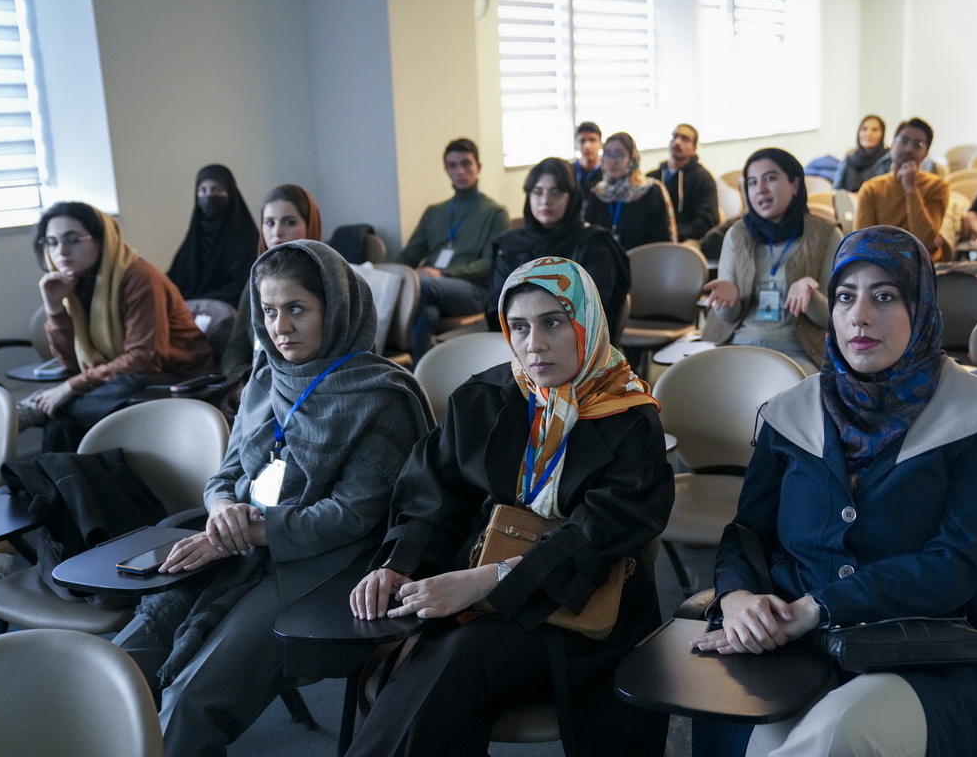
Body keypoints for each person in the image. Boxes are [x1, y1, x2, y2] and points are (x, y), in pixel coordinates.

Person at [692, 226, 977, 757]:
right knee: (752, 733)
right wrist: (736, 597)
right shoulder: (791, 412)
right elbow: (748, 532)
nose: (859, 316)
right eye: (845, 297)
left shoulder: (975, 412)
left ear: (920, 309)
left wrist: (819, 606)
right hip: (790, 643)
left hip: (917, 649)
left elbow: (957, 564)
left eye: (885, 297)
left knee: (837, 736)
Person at [113, 240, 433, 757]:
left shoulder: (381, 396)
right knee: (123, 660)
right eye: (268, 310)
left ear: (337, 308)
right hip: (240, 544)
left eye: (297, 309)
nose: (280, 327)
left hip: (325, 566)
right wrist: (222, 512)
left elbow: (349, 516)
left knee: (191, 698)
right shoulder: (266, 378)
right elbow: (226, 474)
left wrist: (242, 532)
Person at [345, 256, 674, 757]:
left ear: (586, 323)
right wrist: (399, 564)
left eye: (552, 323)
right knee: (434, 671)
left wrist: (487, 581)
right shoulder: (483, 398)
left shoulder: (629, 417)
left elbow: (600, 536)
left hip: (583, 602)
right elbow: (433, 495)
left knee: (455, 659)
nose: (534, 344)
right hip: (474, 582)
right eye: (519, 327)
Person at [20, 202, 215, 451]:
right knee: (61, 421)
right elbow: (71, 361)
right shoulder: (75, 281)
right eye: (52, 242)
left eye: (73, 240)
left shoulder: (139, 277)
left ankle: (32, 412)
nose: (62, 251)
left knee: (64, 413)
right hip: (123, 376)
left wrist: (71, 386)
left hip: (176, 375)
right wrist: (54, 307)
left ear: (101, 241)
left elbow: (144, 359)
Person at [701, 148, 840, 374]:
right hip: (739, 347)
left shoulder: (826, 235)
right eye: (752, 182)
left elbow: (834, 318)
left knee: (788, 389)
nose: (760, 189)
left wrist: (811, 297)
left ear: (795, 185)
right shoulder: (737, 234)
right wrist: (727, 302)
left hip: (798, 354)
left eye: (770, 178)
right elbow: (727, 317)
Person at [392, 138, 510, 362]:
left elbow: (491, 264)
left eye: (466, 164)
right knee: (427, 313)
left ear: (478, 167)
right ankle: (420, 373)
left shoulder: (495, 213)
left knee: (419, 286)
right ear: (446, 170)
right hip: (431, 289)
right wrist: (387, 273)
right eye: (453, 165)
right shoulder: (434, 212)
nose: (460, 171)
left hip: (473, 291)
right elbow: (409, 256)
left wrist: (442, 273)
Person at [487, 157, 630, 340]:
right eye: (537, 192)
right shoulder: (509, 245)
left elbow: (594, 311)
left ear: (572, 197)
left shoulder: (594, 243)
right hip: (517, 344)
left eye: (556, 192)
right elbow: (498, 308)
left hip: (576, 344)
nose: (545, 201)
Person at [220, 184, 324, 389]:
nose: (277, 232)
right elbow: (236, 349)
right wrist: (247, 383)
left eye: (289, 222)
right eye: (269, 223)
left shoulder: (330, 279)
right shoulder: (258, 279)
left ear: (309, 225)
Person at [856, 117, 950, 262]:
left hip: (924, 265)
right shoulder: (871, 189)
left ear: (925, 153)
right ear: (892, 145)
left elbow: (924, 239)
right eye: (903, 141)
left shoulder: (937, 186)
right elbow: (863, 242)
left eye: (917, 145)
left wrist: (911, 188)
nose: (908, 149)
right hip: (881, 264)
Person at [167, 164, 259, 308]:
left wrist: (196, 303)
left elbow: (240, 287)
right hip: (187, 310)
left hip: (230, 310)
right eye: (202, 190)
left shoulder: (245, 238)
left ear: (230, 194)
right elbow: (174, 280)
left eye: (216, 190)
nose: (209, 196)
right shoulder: (194, 239)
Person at [583, 131, 678, 250]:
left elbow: (663, 239)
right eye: (607, 154)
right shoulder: (598, 193)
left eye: (619, 154)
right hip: (604, 259)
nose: (612, 161)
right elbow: (588, 237)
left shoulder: (651, 190)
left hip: (645, 259)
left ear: (632, 159)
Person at [646, 123, 719, 242]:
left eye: (685, 139)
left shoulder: (703, 179)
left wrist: (677, 236)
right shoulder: (652, 178)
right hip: (652, 242)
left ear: (694, 148)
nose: (677, 142)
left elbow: (707, 220)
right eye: (675, 137)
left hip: (685, 242)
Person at [832, 115, 889, 193]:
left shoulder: (888, 159)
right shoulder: (848, 160)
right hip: (849, 200)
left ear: (882, 134)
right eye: (864, 129)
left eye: (874, 130)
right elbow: (836, 191)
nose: (868, 133)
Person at [572, 121, 604, 198]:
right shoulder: (569, 171)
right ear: (576, 145)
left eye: (592, 140)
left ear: (600, 144)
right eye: (582, 141)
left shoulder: (608, 172)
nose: (587, 146)